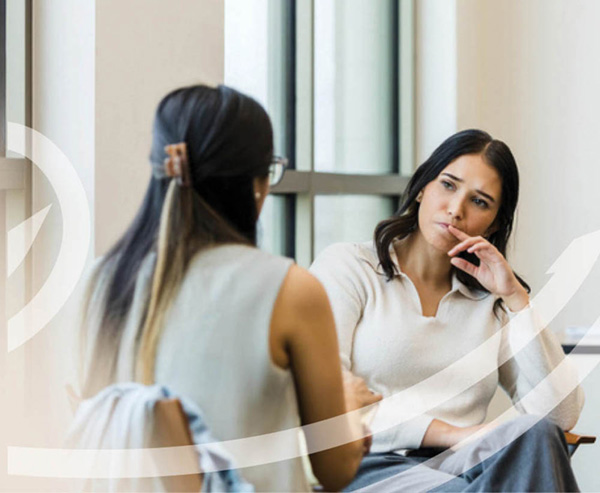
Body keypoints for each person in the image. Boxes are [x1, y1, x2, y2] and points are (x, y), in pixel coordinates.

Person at [77, 84, 380, 492]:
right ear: (254, 185)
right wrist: (345, 404)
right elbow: (335, 470)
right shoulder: (289, 289)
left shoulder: (99, 281)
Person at [310, 129, 584, 491]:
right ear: (423, 186)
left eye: (480, 202)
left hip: (465, 466)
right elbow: (322, 398)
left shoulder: (491, 301)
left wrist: (516, 297)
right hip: (368, 464)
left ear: (495, 223)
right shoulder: (350, 268)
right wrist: (453, 434)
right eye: (448, 185)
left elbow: (560, 416)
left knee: (535, 435)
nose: (456, 210)